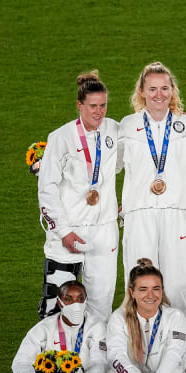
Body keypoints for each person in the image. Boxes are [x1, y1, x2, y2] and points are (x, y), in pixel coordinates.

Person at [38, 71, 120, 322]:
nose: (99, 112)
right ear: (79, 105)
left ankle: (95, 359)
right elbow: (47, 187)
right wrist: (62, 231)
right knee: (57, 302)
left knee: (101, 303)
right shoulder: (60, 137)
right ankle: (53, 358)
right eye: (93, 106)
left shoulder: (115, 131)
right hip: (69, 231)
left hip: (104, 231)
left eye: (103, 105)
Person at [117, 62, 186, 314]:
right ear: (141, 91)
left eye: (164, 88)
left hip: (176, 213)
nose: (159, 94)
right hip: (139, 213)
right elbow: (110, 168)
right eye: (152, 89)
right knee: (140, 282)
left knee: (178, 283)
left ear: (173, 90)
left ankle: (179, 344)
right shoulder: (127, 125)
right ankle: (139, 345)